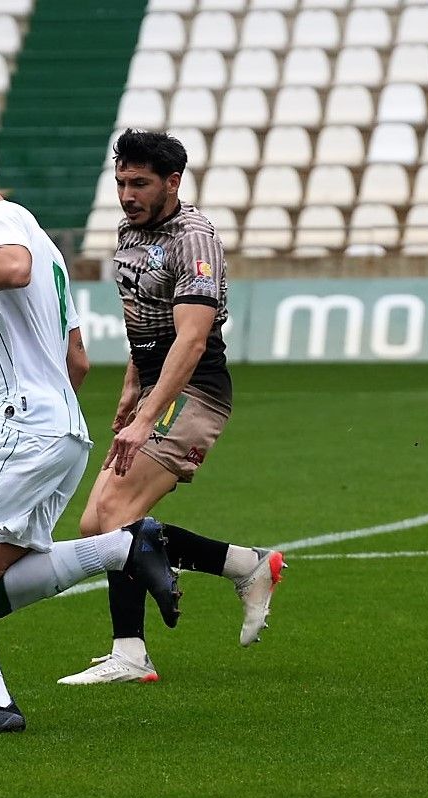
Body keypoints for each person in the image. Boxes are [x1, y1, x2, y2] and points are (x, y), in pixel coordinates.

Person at [0, 128, 180, 736]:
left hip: (20, 423)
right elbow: (78, 361)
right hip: (61, 432)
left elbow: (12, 271)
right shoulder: (44, 241)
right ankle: (127, 546)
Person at [56, 129, 287, 686]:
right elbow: (146, 323)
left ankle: (131, 656)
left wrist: (143, 418)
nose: (127, 194)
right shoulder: (128, 232)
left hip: (194, 389)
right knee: (97, 525)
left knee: (114, 519)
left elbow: (190, 340)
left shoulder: (194, 239)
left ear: (173, 182)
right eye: (120, 182)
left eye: (140, 183)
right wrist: (132, 385)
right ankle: (245, 564)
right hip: (159, 387)